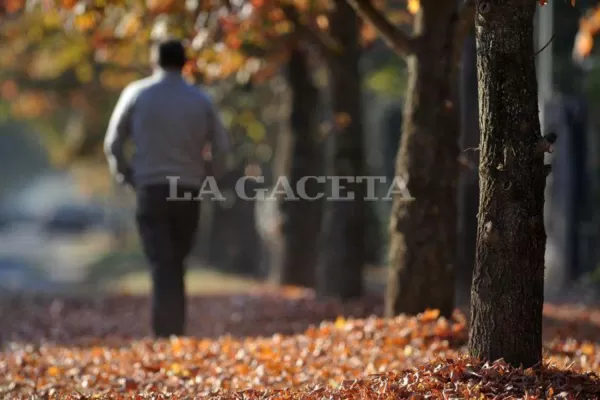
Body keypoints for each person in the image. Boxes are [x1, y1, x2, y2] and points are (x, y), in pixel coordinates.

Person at [104, 38, 230, 337]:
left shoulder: (136, 93)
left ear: (154, 61)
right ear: (186, 63)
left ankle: (166, 333)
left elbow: (113, 142)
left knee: (162, 261)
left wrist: (126, 174)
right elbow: (222, 147)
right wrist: (208, 175)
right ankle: (173, 331)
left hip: (151, 188)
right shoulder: (201, 100)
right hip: (187, 188)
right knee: (176, 259)